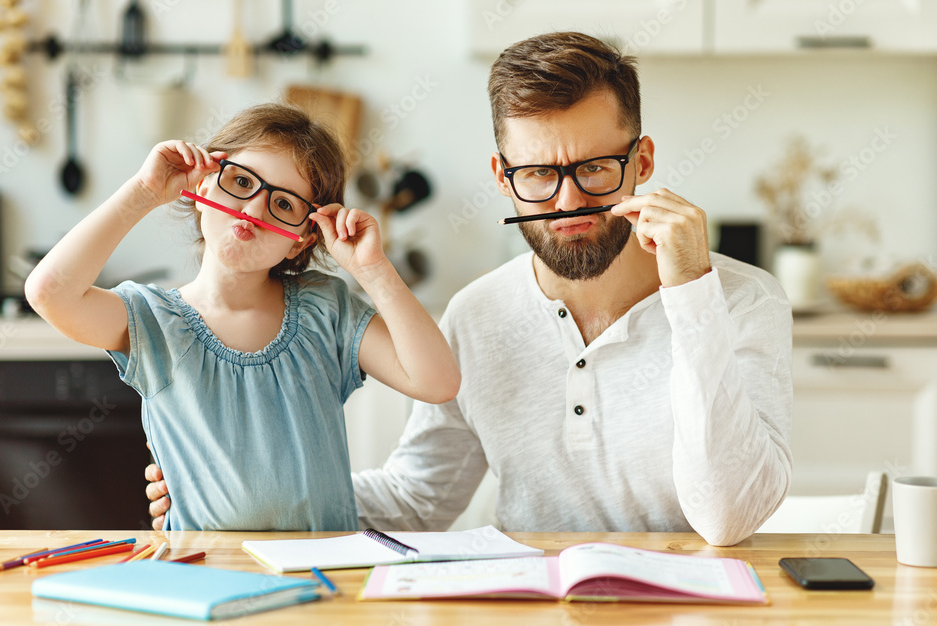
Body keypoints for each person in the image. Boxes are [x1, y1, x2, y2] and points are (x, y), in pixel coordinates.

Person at [147, 32, 792, 546]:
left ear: (642, 162)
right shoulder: (477, 315)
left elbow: (727, 519)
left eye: (596, 168)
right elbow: (418, 499)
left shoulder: (740, 300)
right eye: (539, 173)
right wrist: (241, 492)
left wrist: (691, 293)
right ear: (503, 178)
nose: (567, 202)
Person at [25, 103, 460, 531]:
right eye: (240, 182)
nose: (253, 210)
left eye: (285, 205)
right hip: (203, 571)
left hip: (325, 573)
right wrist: (143, 193)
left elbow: (437, 382)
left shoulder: (327, 310)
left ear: (300, 242)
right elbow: (49, 293)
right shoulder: (152, 320)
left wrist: (373, 270)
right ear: (203, 188)